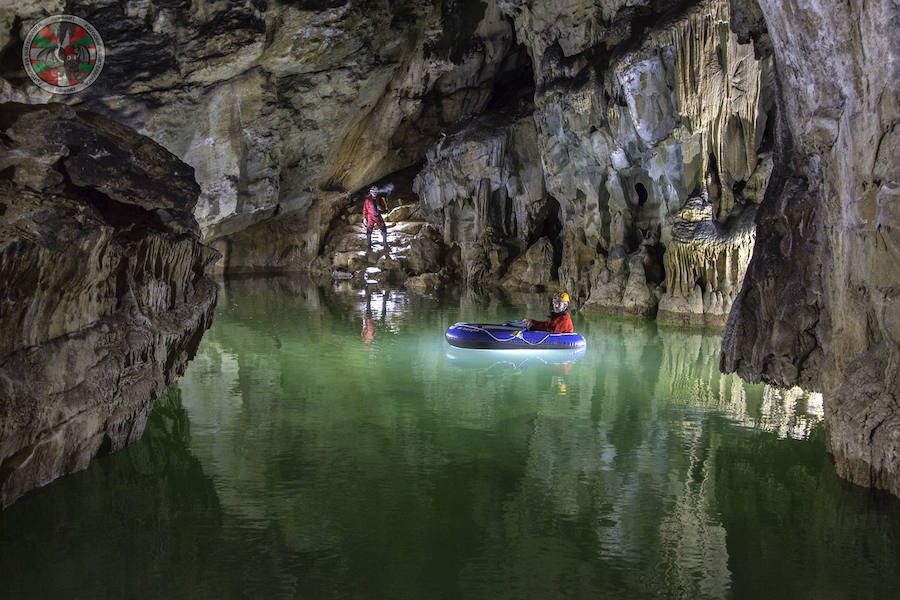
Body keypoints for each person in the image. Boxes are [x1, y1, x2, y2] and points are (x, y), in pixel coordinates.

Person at [363, 186, 389, 251]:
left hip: (378, 216)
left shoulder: (380, 199)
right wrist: (364, 218)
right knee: (369, 230)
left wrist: (381, 208)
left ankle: (385, 244)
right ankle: (369, 245)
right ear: (370, 192)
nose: (374, 193)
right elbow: (365, 209)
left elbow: (385, 208)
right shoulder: (367, 200)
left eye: (375, 192)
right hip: (370, 217)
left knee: (383, 228)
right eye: (373, 192)